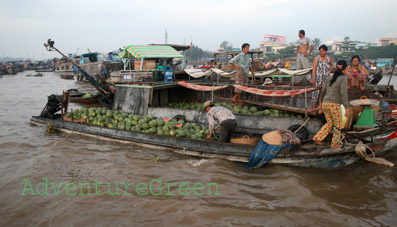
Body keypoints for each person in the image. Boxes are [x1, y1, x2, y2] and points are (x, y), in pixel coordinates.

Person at [312, 60, 350, 148]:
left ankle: (317, 138)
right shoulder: (343, 78)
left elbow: (323, 91)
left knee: (330, 123)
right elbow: (343, 94)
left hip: (326, 103)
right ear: (345, 69)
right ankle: (335, 143)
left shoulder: (331, 77)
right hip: (334, 104)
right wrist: (347, 107)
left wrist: (321, 103)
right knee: (338, 125)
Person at [311, 45, 333, 109]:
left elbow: (332, 65)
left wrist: (330, 71)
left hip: (326, 80)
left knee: (324, 94)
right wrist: (313, 79)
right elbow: (314, 68)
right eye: (320, 51)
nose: (321, 53)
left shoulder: (329, 58)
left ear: (326, 51)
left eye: (322, 51)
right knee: (315, 94)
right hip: (318, 79)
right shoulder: (317, 58)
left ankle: (322, 108)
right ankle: (313, 109)